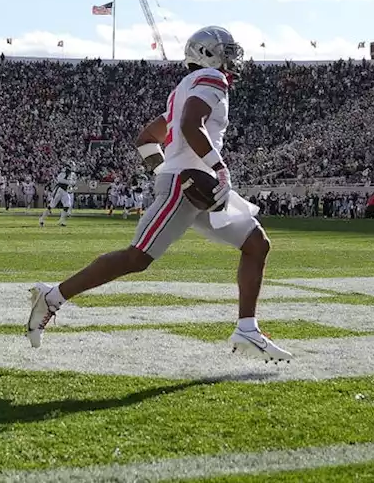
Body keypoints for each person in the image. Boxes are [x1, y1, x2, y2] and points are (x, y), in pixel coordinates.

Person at [26, 26, 292, 362]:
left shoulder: (184, 88)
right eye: (227, 50)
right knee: (136, 258)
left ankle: (247, 329)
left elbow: (147, 138)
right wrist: (213, 167)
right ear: (207, 53)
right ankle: (53, 296)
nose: (233, 57)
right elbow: (189, 126)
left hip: (196, 183)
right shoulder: (212, 79)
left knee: (257, 244)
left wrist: (163, 170)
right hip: (188, 183)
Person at [39, 162, 77, 227]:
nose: (74, 168)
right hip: (59, 189)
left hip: (65, 190)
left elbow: (73, 182)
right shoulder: (64, 172)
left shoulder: (72, 174)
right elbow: (60, 180)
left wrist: (72, 185)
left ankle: (61, 221)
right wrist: (69, 182)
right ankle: (41, 219)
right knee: (52, 205)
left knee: (67, 205)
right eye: (72, 166)